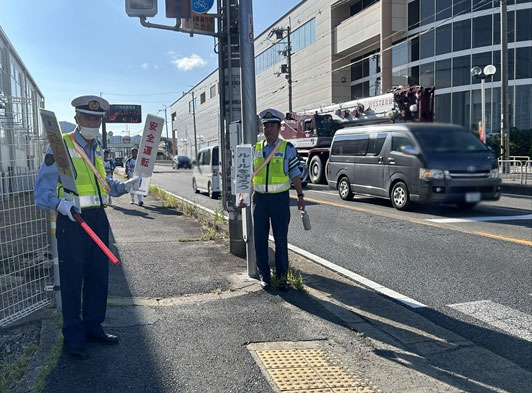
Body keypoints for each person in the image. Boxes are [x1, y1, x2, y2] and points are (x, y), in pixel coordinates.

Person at [34, 95, 139, 359]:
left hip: (98, 219)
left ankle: (94, 327)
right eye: (87, 117)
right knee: (72, 280)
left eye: (97, 119)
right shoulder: (60, 146)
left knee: (97, 276)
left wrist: (125, 187)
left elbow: (103, 186)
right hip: (73, 221)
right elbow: (41, 191)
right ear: (78, 120)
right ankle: (73, 335)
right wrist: (61, 206)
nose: (92, 122)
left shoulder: (97, 149)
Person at [249, 108, 305, 290]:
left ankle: (281, 278)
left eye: (272, 125)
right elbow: (246, 175)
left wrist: (300, 195)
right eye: (266, 125)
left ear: (279, 127)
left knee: (280, 239)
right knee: (259, 238)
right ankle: (265, 275)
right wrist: (243, 196)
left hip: (280, 200)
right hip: (259, 200)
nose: (268, 129)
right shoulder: (255, 149)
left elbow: (295, 173)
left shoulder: (287, 148)